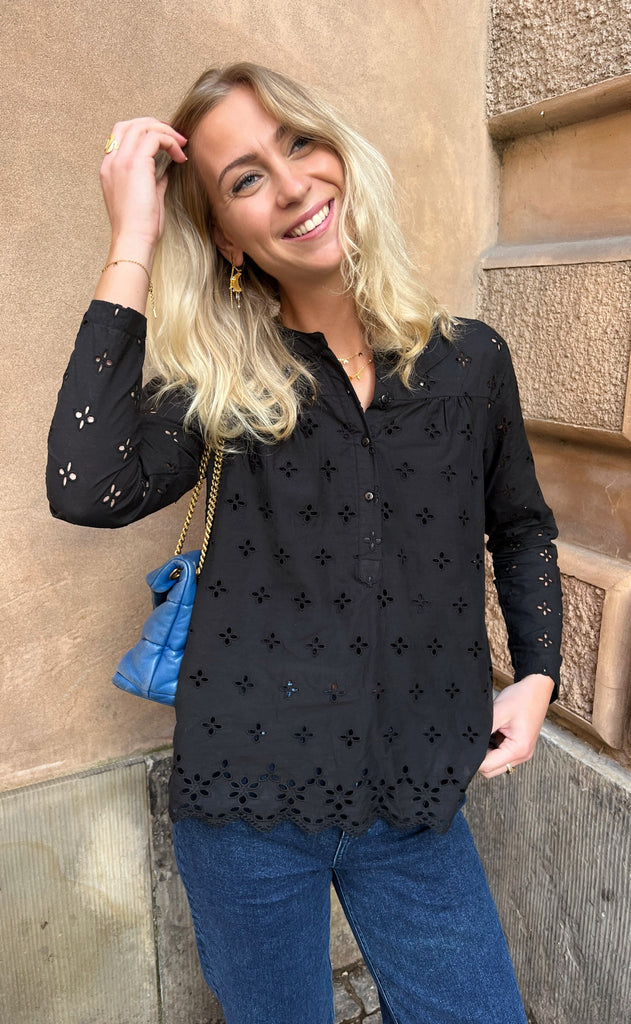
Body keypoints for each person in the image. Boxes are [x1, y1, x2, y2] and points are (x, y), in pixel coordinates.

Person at [47, 62, 562, 1024]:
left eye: (298, 143)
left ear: (339, 154)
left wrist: (536, 676)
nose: (289, 186)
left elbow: (521, 526)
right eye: (244, 179)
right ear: (225, 237)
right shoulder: (220, 382)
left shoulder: (469, 360)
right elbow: (87, 487)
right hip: (246, 810)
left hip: (416, 801)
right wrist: (132, 241)